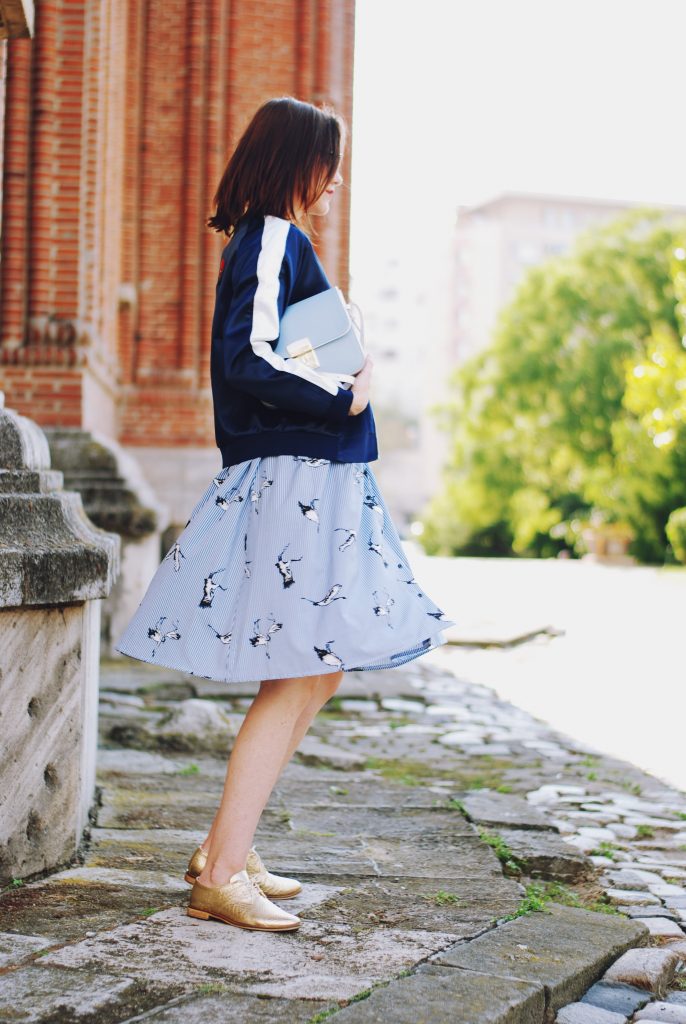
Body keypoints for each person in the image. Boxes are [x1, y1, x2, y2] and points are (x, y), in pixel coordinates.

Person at [114, 95, 456, 933]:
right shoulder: (271, 235)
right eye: (327, 161)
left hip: (313, 477)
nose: (335, 180)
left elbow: (266, 345)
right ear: (292, 159)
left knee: (320, 666)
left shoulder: (274, 241)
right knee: (301, 670)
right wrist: (345, 390)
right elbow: (246, 356)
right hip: (294, 477)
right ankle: (223, 872)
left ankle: (227, 845)